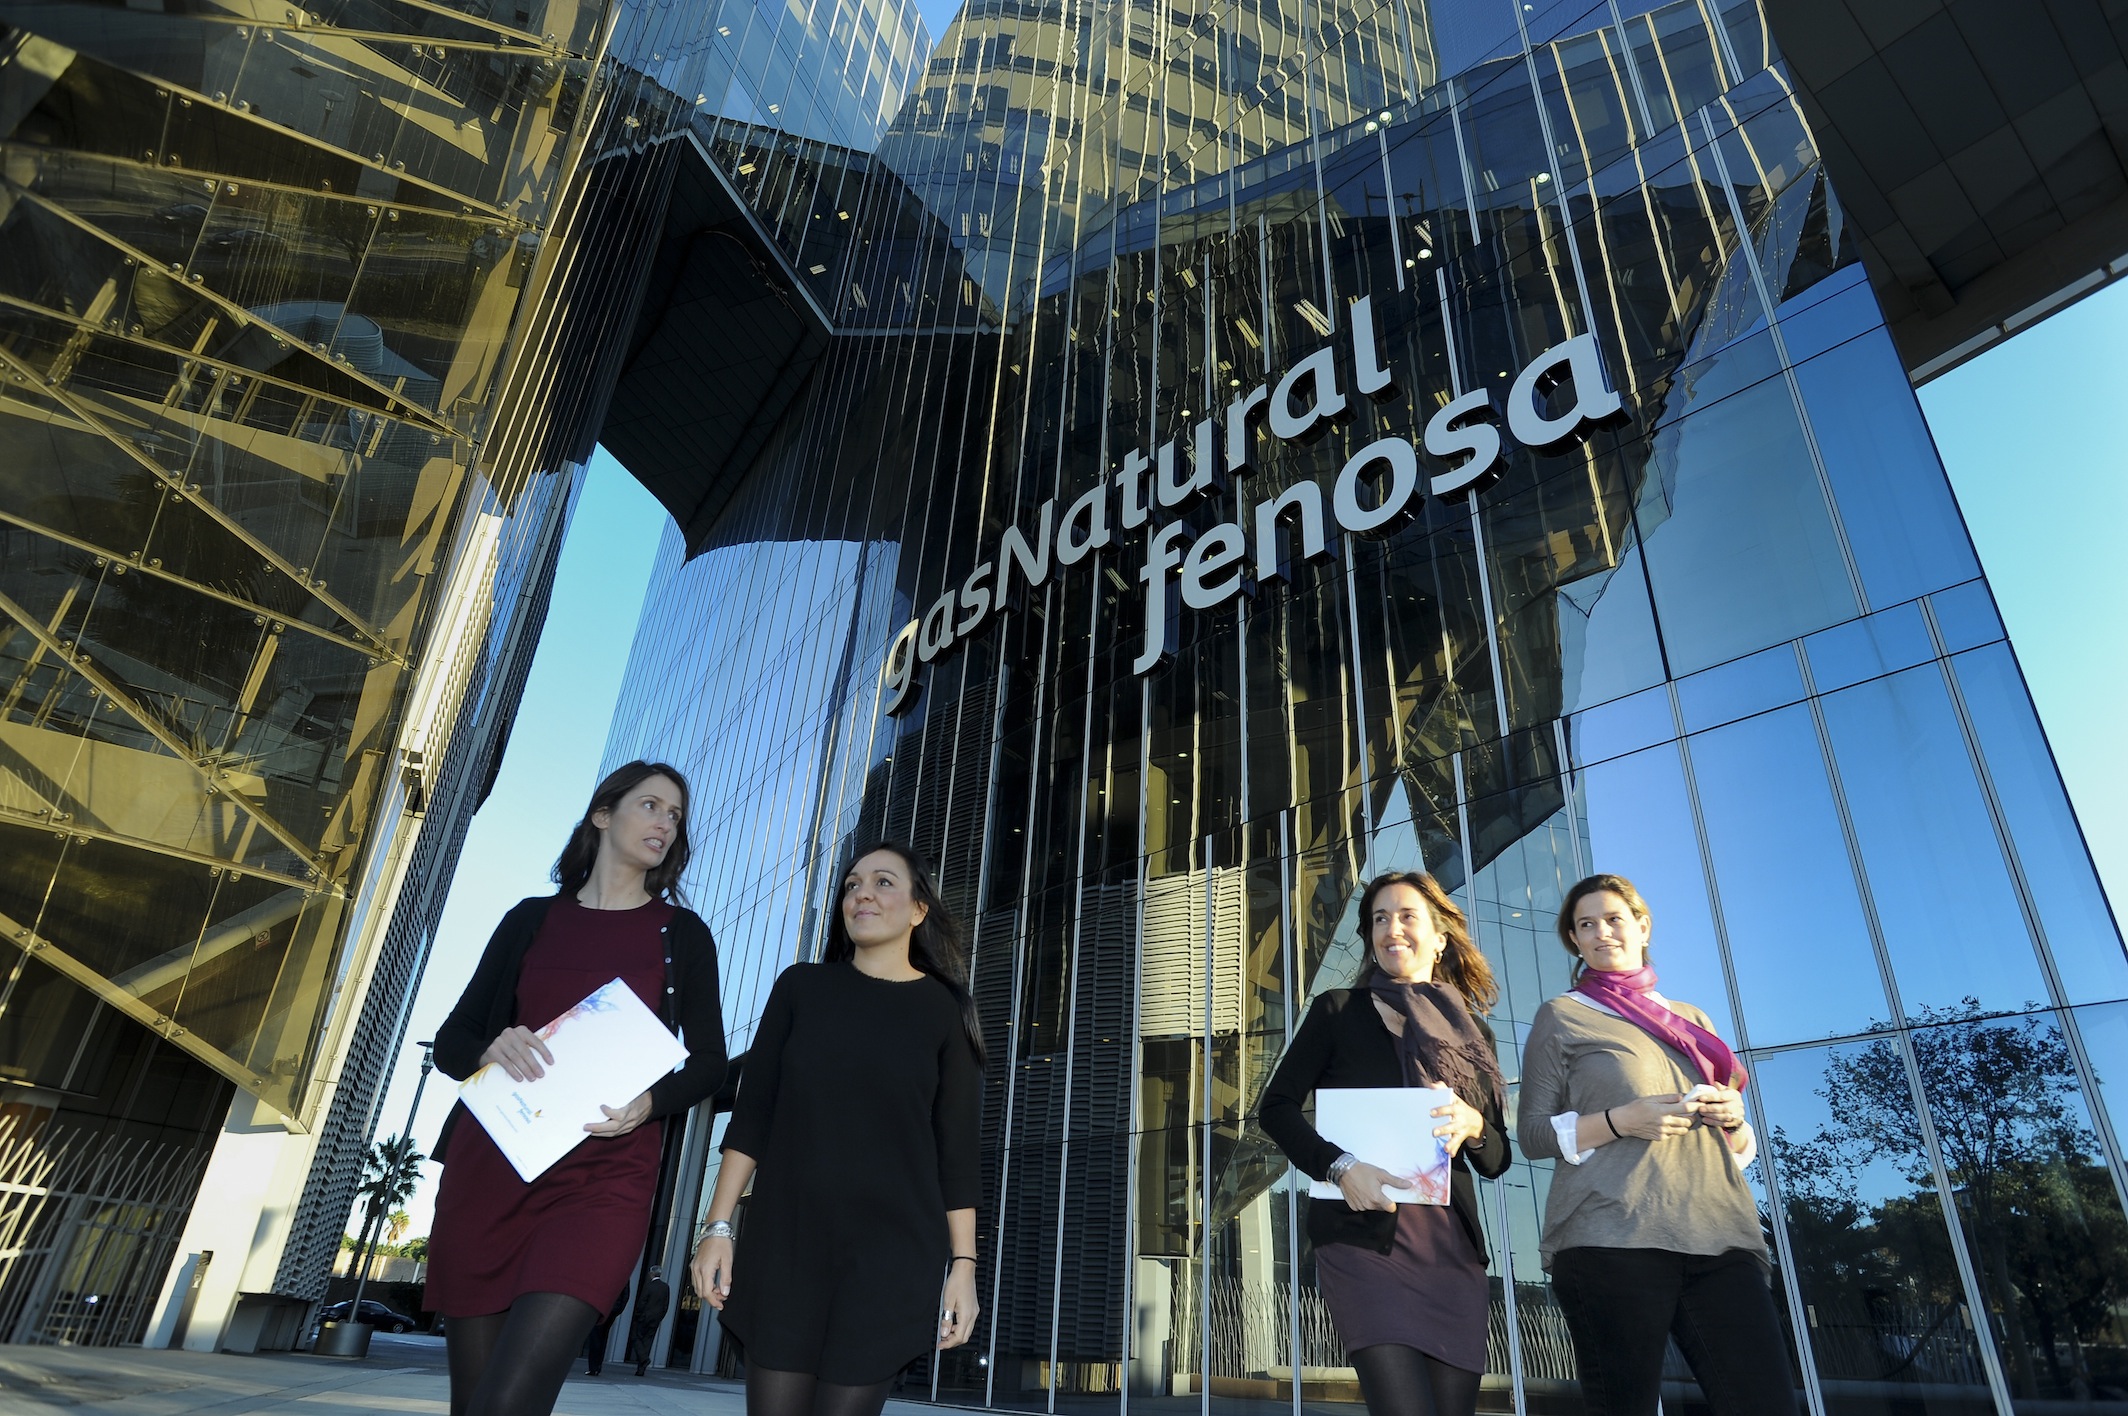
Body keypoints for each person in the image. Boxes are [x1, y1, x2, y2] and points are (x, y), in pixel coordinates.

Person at [427, 761, 728, 1416]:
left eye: (675, 815)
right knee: (474, 1405)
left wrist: (650, 1103)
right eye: (651, 805)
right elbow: (452, 1041)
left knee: (509, 1402)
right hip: (492, 1170)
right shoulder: (529, 920)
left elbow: (710, 1062)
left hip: (604, 1182)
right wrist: (490, 1047)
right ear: (603, 815)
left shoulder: (682, 935)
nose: (666, 823)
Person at [689, 841, 983, 1416]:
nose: (862, 894)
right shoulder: (800, 988)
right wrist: (717, 1227)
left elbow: (957, 1153)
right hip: (787, 1243)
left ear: (919, 909)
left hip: (891, 1255)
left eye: (883, 882)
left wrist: (963, 1269)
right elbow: (753, 1117)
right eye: (852, 885)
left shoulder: (945, 1010)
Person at [1516, 873, 1790, 1416]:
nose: (1601, 932)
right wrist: (1623, 1120)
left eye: (1613, 919)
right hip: (1611, 1237)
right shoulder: (1562, 1015)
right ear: (1574, 940)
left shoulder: (1694, 1020)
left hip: (1721, 1236)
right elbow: (1533, 1134)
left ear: (1642, 926)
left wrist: (1734, 1118)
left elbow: (1735, 1148)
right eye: (1586, 925)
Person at [1260, 871, 1511, 1416]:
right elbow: (1275, 1108)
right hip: (1362, 1241)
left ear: (1440, 938)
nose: (1392, 929)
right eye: (1379, 919)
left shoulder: (1474, 1035)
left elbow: (1497, 1159)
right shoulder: (1337, 1011)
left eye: (1406, 916)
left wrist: (1474, 1125)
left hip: (1450, 1253)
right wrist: (1340, 1166)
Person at [629, 1266, 671, 1377]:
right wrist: (660, 1317)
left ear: (652, 1274)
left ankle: (644, 1359)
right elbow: (665, 1305)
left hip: (644, 1317)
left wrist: (637, 1315)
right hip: (655, 1319)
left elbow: (642, 1302)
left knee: (636, 1337)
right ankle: (641, 1369)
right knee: (648, 1341)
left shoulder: (648, 1286)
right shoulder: (665, 1287)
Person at [586, 1285, 629, 1376]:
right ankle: (597, 1366)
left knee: (595, 1337)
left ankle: (593, 1367)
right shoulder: (624, 1279)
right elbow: (625, 1296)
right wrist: (618, 1310)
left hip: (601, 1309)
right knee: (603, 1337)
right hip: (612, 1310)